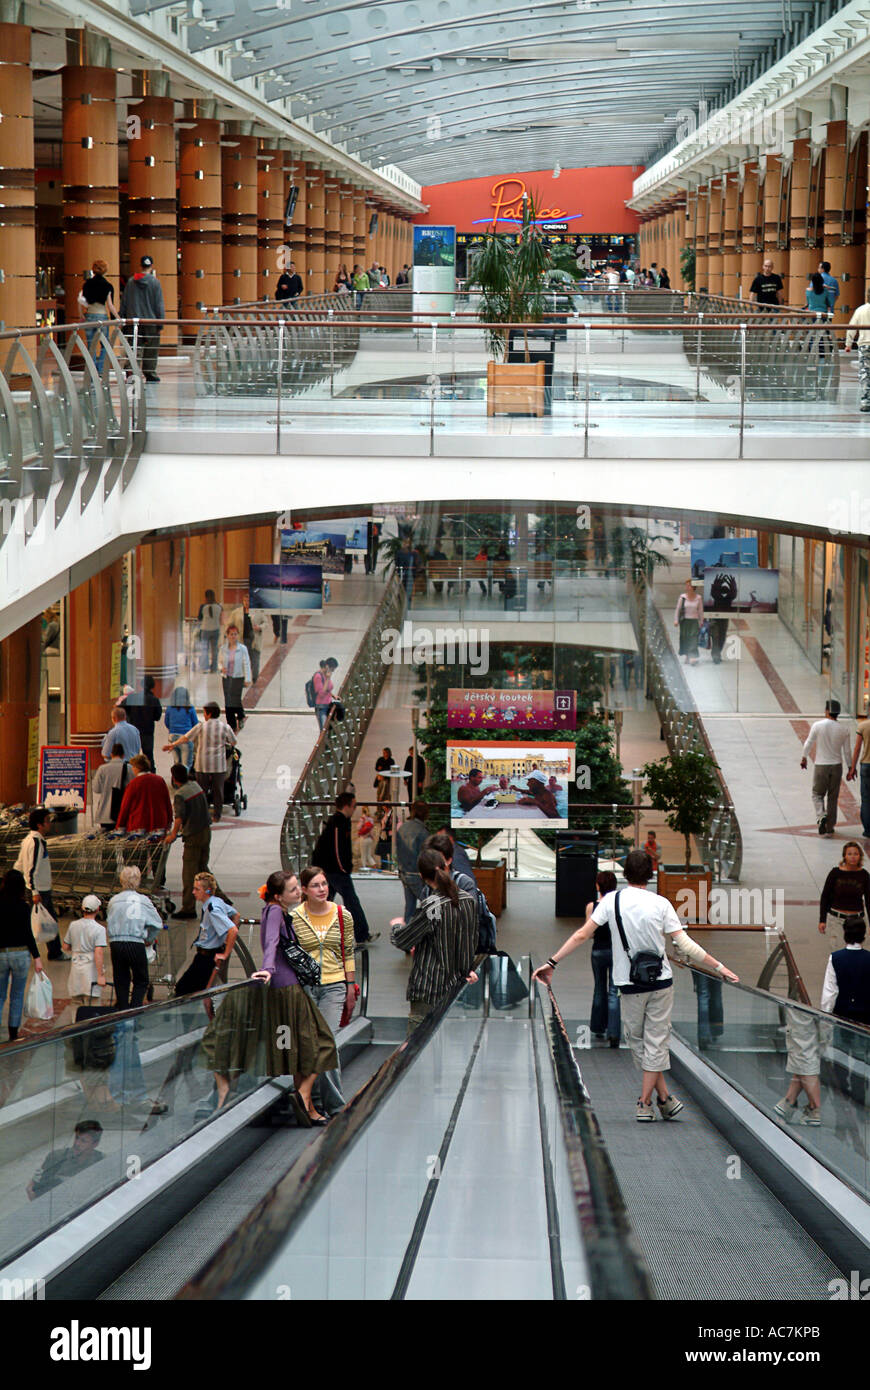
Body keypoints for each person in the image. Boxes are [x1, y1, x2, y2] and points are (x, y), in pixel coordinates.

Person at [533, 849, 738, 1122]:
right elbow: (685, 944)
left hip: (628, 982)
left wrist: (553, 962)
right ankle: (661, 1098)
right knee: (656, 1040)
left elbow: (583, 934)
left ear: (625, 873)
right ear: (650, 873)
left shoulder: (611, 901)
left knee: (637, 1040)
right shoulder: (661, 903)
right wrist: (719, 967)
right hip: (661, 981)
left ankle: (645, 1102)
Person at [248, 870, 339, 1125]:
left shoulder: (271, 910)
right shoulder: (276, 911)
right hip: (288, 986)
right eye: (292, 890)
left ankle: (308, 1109)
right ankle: (303, 1094)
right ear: (278, 895)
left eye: (297, 887)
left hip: (284, 985)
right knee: (322, 1042)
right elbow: (272, 942)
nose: (298, 892)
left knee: (299, 1049)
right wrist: (268, 968)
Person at [290, 866, 357, 1116]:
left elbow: (347, 952)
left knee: (327, 1043)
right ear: (304, 890)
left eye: (324, 884)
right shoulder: (295, 917)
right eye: (316, 885)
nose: (322, 889)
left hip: (334, 985)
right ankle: (311, 1099)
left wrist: (350, 985)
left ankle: (335, 1105)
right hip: (305, 987)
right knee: (310, 1044)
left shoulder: (342, 915)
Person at [390, 848, 479, 1033]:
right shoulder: (468, 900)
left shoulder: (432, 905)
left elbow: (403, 940)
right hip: (455, 987)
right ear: (446, 866)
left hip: (428, 987)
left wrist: (397, 925)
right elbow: (470, 941)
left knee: (416, 1046)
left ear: (422, 876)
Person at [312, 793, 378, 944]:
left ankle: (317, 931)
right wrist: (344, 868)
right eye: (354, 806)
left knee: (326, 901)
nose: (355, 809)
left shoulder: (342, 821)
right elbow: (337, 848)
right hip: (334, 870)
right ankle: (362, 934)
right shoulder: (338, 822)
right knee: (351, 900)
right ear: (347, 806)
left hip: (331, 869)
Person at [164, 700, 236, 823]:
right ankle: (217, 815)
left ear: (208, 714)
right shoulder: (225, 727)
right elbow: (233, 742)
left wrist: (172, 745)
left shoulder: (201, 726)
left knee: (201, 790)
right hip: (219, 765)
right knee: (218, 790)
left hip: (202, 764)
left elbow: (186, 737)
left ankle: (203, 812)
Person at [106, 865, 164, 1009]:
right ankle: (135, 1008)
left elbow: (109, 919)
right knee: (141, 980)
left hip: (117, 943)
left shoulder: (114, 900)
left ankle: (123, 1010)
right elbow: (157, 923)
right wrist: (149, 939)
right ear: (138, 881)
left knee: (121, 979)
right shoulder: (143, 900)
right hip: (136, 942)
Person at [15, 808, 66, 962]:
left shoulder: (30, 840)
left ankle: (51, 950)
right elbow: (30, 869)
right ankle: (55, 952)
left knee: (38, 921)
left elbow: (19, 864)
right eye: (47, 821)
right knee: (48, 921)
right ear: (39, 825)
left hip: (36, 888)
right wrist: (34, 891)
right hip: (38, 890)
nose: (49, 824)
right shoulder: (36, 842)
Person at [175, 872, 238, 996]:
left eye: (197, 889)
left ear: (208, 891)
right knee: (191, 990)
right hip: (204, 954)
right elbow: (236, 915)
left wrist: (226, 953)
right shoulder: (216, 901)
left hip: (207, 958)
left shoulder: (213, 909)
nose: (193, 892)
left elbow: (233, 930)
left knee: (182, 990)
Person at [0, 868, 44, 1041]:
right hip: (21, 954)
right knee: (17, 995)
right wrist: (37, 957)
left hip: (1, 954)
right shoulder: (24, 907)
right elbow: (28, 934)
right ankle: (13, 1033)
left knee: (0, 995)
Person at [164, 764, 212, 920]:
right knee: (203, 869)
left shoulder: (181, 794)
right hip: (206, 832)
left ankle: (188, 908)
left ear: (174, 778)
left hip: (194, 837)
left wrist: (172, 835)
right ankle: (222, 898)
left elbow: (179, 817)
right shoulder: (195, 785)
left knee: (189, 874)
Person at [800, 698, 851, 836]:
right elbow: (847, 751)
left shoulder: (818, 725)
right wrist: (851, 767)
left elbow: (808, 743)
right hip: (836, 766)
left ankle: (821, 815)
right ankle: (830, 828)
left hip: (821, 765)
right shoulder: (844, 729)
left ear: (827, 711)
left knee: (817, 794)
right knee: (833, 797)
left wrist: (804, 757)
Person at [27, 1120, 104, 1201]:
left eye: (83, 1141)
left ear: (95, 1144)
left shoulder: (100, 1161)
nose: (77, 1143)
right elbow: (34, 1189)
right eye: (77, 1138)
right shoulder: (56, 1157)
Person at [119, 255, 165, 381]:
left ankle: (130, 371)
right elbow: (159, 304)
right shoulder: (155, 282)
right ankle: (150, 373)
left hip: (133, 322)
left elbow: (125, 301)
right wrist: (160, 322)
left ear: (141, 266)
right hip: (151, 322)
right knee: (151, 349)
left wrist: (123, 318)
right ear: (151, 266)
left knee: (133, 347)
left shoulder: (130, 282)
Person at [588, 870, 621, 1047]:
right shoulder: (619, 906)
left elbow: (590, 932)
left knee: (599, 988)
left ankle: (598, 1027)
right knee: (614, 991)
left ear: (598, 886)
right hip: (616, 952)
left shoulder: (592, 906)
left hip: (598, 951)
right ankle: (614, 1032)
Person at [817, 841, 870, 945]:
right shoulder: (835, 873)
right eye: (849, 854)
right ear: (844, 856)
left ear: (860, 856)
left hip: (857, 920)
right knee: (837, 953)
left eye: (856, 854)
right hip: (837, 919)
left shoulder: (864, 875)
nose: (853, 857)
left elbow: (869, 900)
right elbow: (825, 896)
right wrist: (822, 920)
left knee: (856, 954)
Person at [63, 894, 107, 1011]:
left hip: (76, 966)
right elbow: (98, 952)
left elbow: (66, 946)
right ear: (97, 910)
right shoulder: (100, 929)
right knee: (92, 1002)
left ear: (82, 909)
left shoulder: (73, 925)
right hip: (91, 969)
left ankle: (76, 1025)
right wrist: (101, 976)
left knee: (76, 1002)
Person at [115, 754, 173, 833]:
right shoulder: (159, 780)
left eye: (133, 767)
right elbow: (167, 801)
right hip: (159, 823)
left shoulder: (133, 784)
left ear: (137, 768)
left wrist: (120, 825)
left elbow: (125, 806)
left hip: (139, 825)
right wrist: (169, 820)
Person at [79, 259, 118, 374]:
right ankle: (100, 369)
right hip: (102, 316)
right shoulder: (107, 286)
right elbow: (110, 305)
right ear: (105, 271)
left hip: (90, 315)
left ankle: (92, 370)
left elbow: (81, 301)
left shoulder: (86, 284)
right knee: (104, 345)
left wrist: (81, 314)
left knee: (91, 345)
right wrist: (117, 318)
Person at [118, 675, 162, 768]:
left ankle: (132, 775)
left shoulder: (132, 698)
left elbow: (120, 709)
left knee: (132, 755)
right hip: (148, 732)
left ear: (141, 685)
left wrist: (129, 716)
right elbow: (157, 717)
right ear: (153, 686)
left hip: (133, 731)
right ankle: (150, 775)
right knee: (149, 755)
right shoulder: (154, 700)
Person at [396, 801, 430, 921]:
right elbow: (425, 855)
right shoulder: (423, 831)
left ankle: (407, 935)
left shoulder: (402, 828)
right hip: (417, 874)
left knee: (409, 907)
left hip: (404, 872)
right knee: (431, 904)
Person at [90, 741, 132, 830]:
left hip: (105, 813)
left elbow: (96, 789)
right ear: (123, 755)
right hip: (123, 812)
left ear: (111, 754)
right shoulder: (129, 769)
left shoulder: (102, 769)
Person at [218, 623, 252, 733]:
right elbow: (219, 662)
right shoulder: (223, 649)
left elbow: (246, 663)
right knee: (228, 700)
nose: (233, 636)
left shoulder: (242, 649)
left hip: (238, 677)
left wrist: (247, 678)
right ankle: (231, 724)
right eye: (231, 634)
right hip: (227, 677)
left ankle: (241, 716)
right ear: (227, 635)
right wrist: (221, 668)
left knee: (235, 699)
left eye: (235, 634)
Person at [226, 593, 264, 685]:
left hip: (254, 640)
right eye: (245, 601)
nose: (247, 603)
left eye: (248, 601)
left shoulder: (258, 612)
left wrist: (259, 627)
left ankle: (255, 677)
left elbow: (265, 623)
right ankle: (243, 680)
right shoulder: (236, 613)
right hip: (242, 639)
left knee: (255, 660)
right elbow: (229, 624)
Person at [844, 295, 870, 412]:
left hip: (865, 345)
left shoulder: (861, 310)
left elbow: (852, 327)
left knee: (865, 373)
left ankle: (866, 402)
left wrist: (848, 343)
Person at [847, 708, 870, 838]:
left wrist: (852, 768)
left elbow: (857, 748)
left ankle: (868, 829)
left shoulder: (863, 726)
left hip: (866, 765)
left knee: (866, 799)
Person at [164, 687, 198, 771]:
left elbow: (166, 722)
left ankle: (176, 781)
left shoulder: (170, 708)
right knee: (186, 764)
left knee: (177, 762)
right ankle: (184, 781)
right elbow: (195, 724)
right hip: (186, 737)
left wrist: (173, 729)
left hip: (172, 737)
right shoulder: (190, 708)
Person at [674, 577, 703, 664]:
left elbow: (700, 610)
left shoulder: (698, 598)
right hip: (684, 621)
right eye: (686, 585)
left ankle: (692, 656)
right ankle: (687, 655)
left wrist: (701, 621)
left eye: (689, 585)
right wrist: (676, 620)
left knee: (693, 638)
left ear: (694, 587)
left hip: (694, 621)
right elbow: (678, 610)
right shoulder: (682, 597)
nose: (687, 587)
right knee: (685, 638)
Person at [196, 589, 222, 673]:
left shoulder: (203, 607)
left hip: (205, 630)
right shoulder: (219, 606)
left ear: (206, 597)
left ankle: (205, 668)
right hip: (216, 629)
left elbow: (199, 618)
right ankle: (214, 668)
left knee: (204, 649)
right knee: (214, 650)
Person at [312, 656, 339, 733]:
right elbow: (321, 693)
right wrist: (327, 679)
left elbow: (328, 689)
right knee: (324, 730)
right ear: (327, 666)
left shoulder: (326, 675)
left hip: (328, 705)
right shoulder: (318, 676)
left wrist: (333, 696)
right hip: (321, 707)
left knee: (329, 729)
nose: (332, 671)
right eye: (332, 669)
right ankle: (324, 745)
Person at [357, 805, 376, 870]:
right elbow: (372, 829)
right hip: (370, 838)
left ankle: (364, 868)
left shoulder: (362, 819)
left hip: (363, 838)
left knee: (363, 855)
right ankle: (374, 866)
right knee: (369, 855)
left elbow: (358, 827)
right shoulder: (371, 819)